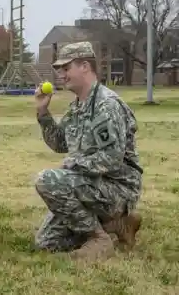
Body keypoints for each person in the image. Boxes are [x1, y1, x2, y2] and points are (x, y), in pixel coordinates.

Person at [33, 41, 143, 261]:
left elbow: (112, 159)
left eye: (66, 68)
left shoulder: (106, 105)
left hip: (117, 188)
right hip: (91, 185)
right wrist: (43, 112)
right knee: (47, 242)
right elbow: (60, 144)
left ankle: (99, 239)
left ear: (85, 66)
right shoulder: (77, 107)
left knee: (47, 180)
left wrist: (73, 164)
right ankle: (117, 225)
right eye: (60, 70)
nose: (61, 75)